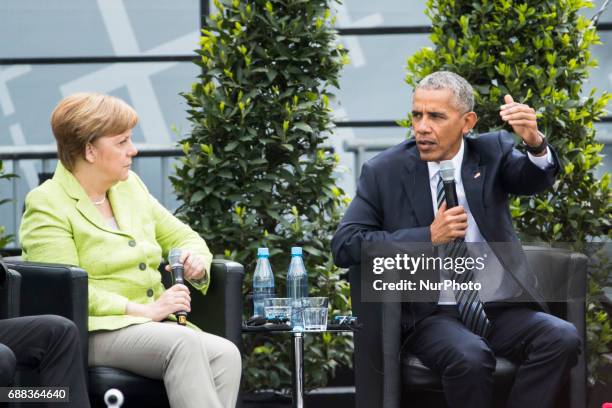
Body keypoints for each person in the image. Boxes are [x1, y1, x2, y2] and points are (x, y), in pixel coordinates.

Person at [332, 71, 580, 408]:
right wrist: (426, 236)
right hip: (430, 314)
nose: (422, 126)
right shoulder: (384, 170)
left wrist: (535, 144)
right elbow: (346, 245)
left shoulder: (491, 153)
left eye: (435, 116)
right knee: (470, 356)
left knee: (562, 337)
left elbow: (531, 179)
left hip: (497, 308)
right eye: (417, 115)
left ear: (467, 122)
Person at [19, 93, 241, 408]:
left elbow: (184, 236)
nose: (132, 150)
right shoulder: (47, 203)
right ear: (90, 151)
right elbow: (65, 291)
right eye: (122, 141)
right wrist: (142, 311)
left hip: (152, 325)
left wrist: (196, 262)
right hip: (96, 329)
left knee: (225, 355)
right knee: (184, 343)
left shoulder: (130, 187)